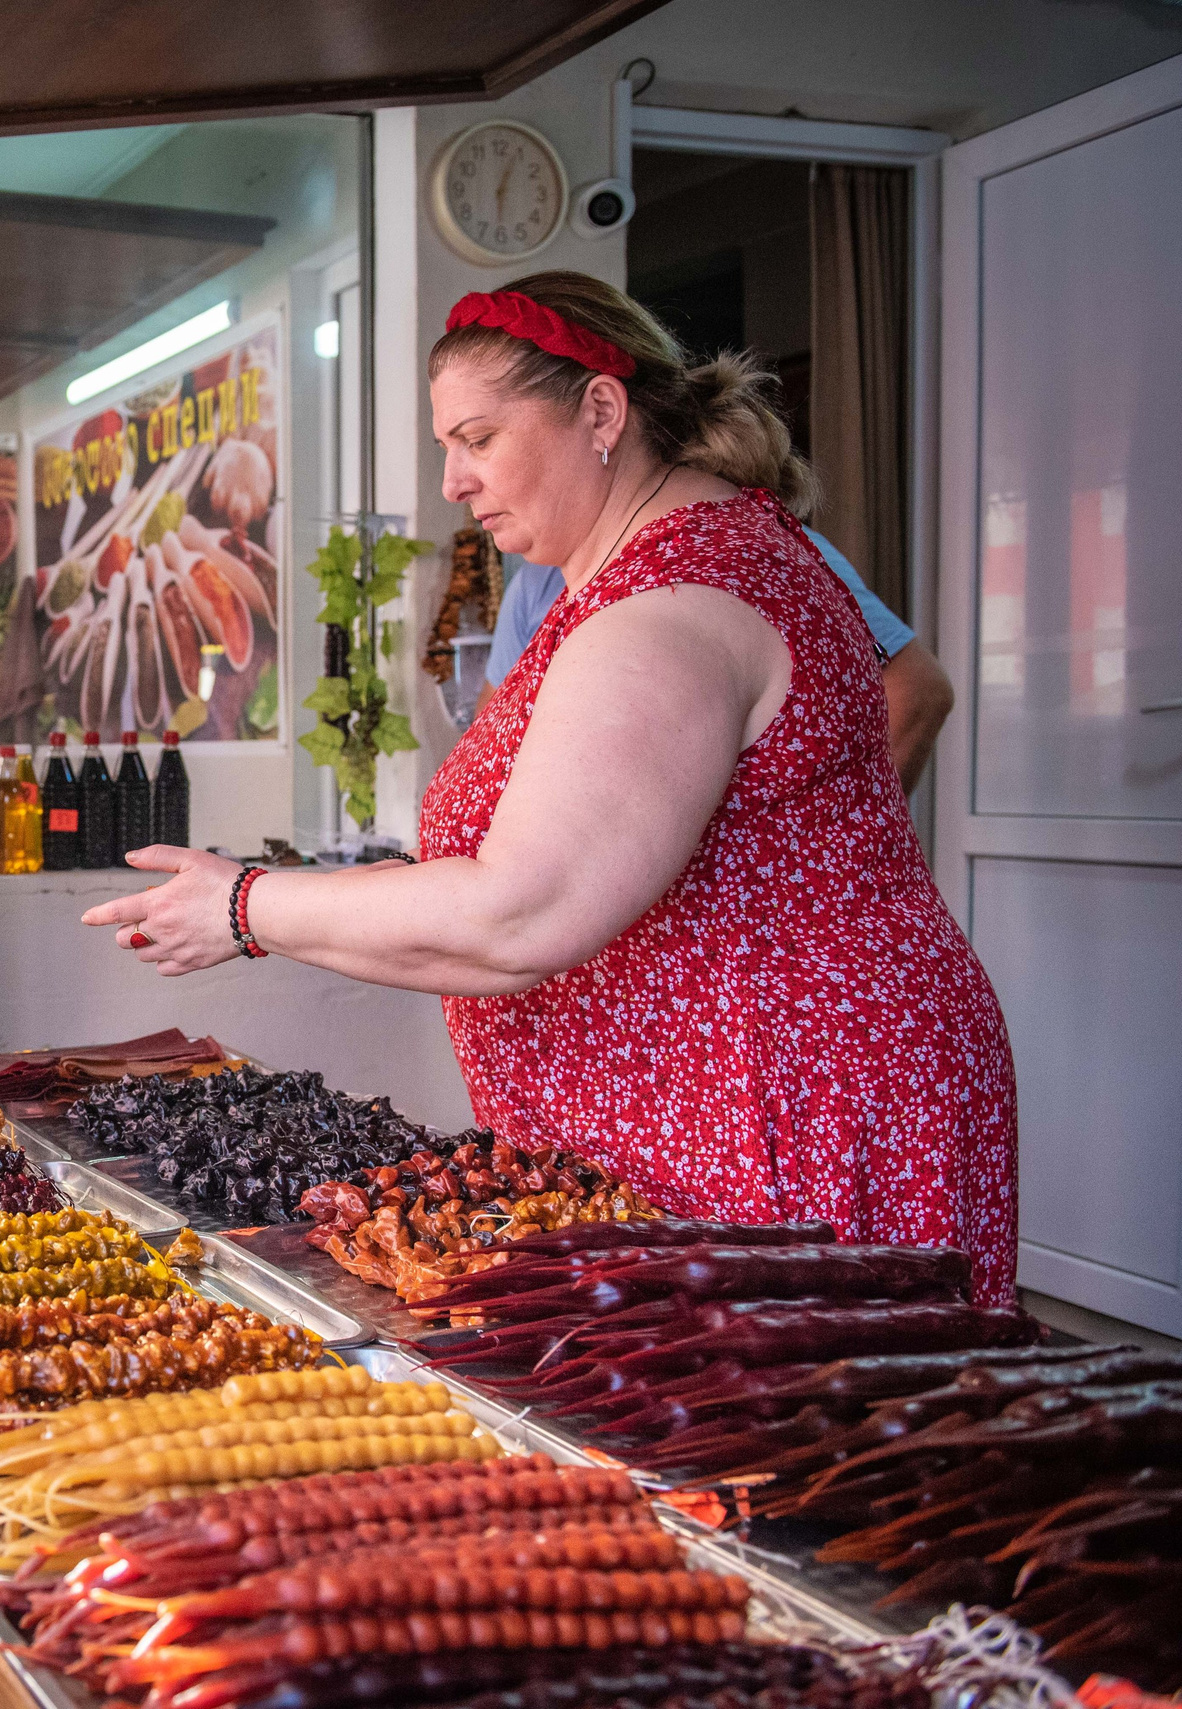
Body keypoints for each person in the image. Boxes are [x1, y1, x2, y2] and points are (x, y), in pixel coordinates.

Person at [86, 273, 1017, 1305]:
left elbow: (521, 908)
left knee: (785, 1448)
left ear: (601, 411)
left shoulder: (675, 601)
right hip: (720, 1090)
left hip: (771, 1101)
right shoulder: (646, 568)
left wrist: (242, 904)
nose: (452, 479)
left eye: (477, 438)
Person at [477, 535, 955, 791]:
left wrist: (830, 851)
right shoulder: (536, 586)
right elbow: (490, 745)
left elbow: (917, 691)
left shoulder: (758, 549)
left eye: (482, 439)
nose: (457, 481)